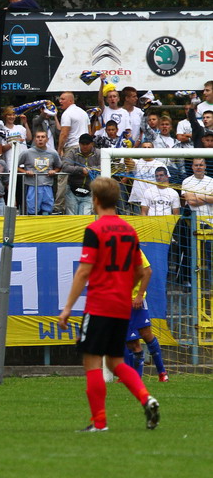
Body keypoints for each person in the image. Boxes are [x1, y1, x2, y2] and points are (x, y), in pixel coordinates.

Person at [58, 176, 160, 431]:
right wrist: (125, 289)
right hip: (121, 306)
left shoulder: (94, 230)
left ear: (95, 200)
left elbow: (84, 271)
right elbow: (140, 269)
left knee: (92, 362)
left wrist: (68, 307)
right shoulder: (129, 230)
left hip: (99, 304)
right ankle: (146, 398)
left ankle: (99, 422)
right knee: (115, 361)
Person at [123, 253, 169, 382]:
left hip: (135, 301)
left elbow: (147, 271)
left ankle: (162, 372)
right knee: (128, 339)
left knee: (146, 334)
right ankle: (130, 376)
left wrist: (139, 295)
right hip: (120, 301)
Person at [18, 130, 62, 215]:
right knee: (32, 210)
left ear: (47, 139)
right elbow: (16, 166)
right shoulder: (27, 152)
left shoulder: (53, 153)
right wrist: (25, 171)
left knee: (47, 210)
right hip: (32, 185)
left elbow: (59, 166)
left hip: (47, 184)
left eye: (43, 137)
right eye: (38, 137)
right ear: (35, 139)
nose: (40, 139)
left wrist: (54, 171)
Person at [61, 134, 100, 215]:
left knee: (85, 218)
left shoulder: (98, 153)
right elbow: (65, 166)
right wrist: (81, 170)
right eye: (82, 144)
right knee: (71, 218)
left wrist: (90, 170)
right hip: (72, 190)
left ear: (92, 144)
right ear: (79, 144)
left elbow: (104, 165)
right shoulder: (73, 152)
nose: (85, 146)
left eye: (87, 144)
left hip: (89, 192)